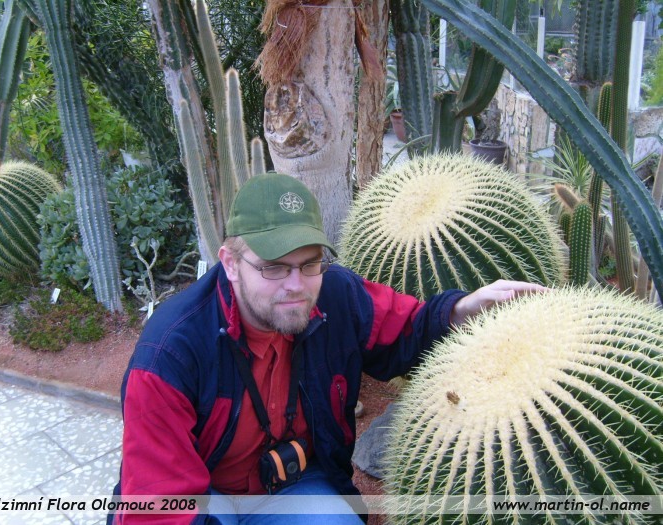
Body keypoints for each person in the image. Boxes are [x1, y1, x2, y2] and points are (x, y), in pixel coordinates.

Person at [108, 173, 546, 524]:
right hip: (206, 497)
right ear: (230, 264)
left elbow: (409, 330)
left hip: (293, 485)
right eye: (274, 268)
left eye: (309, 263)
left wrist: (461, 310)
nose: (296, 286)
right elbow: (159, 508)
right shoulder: (170, 355)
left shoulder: (337, 296)